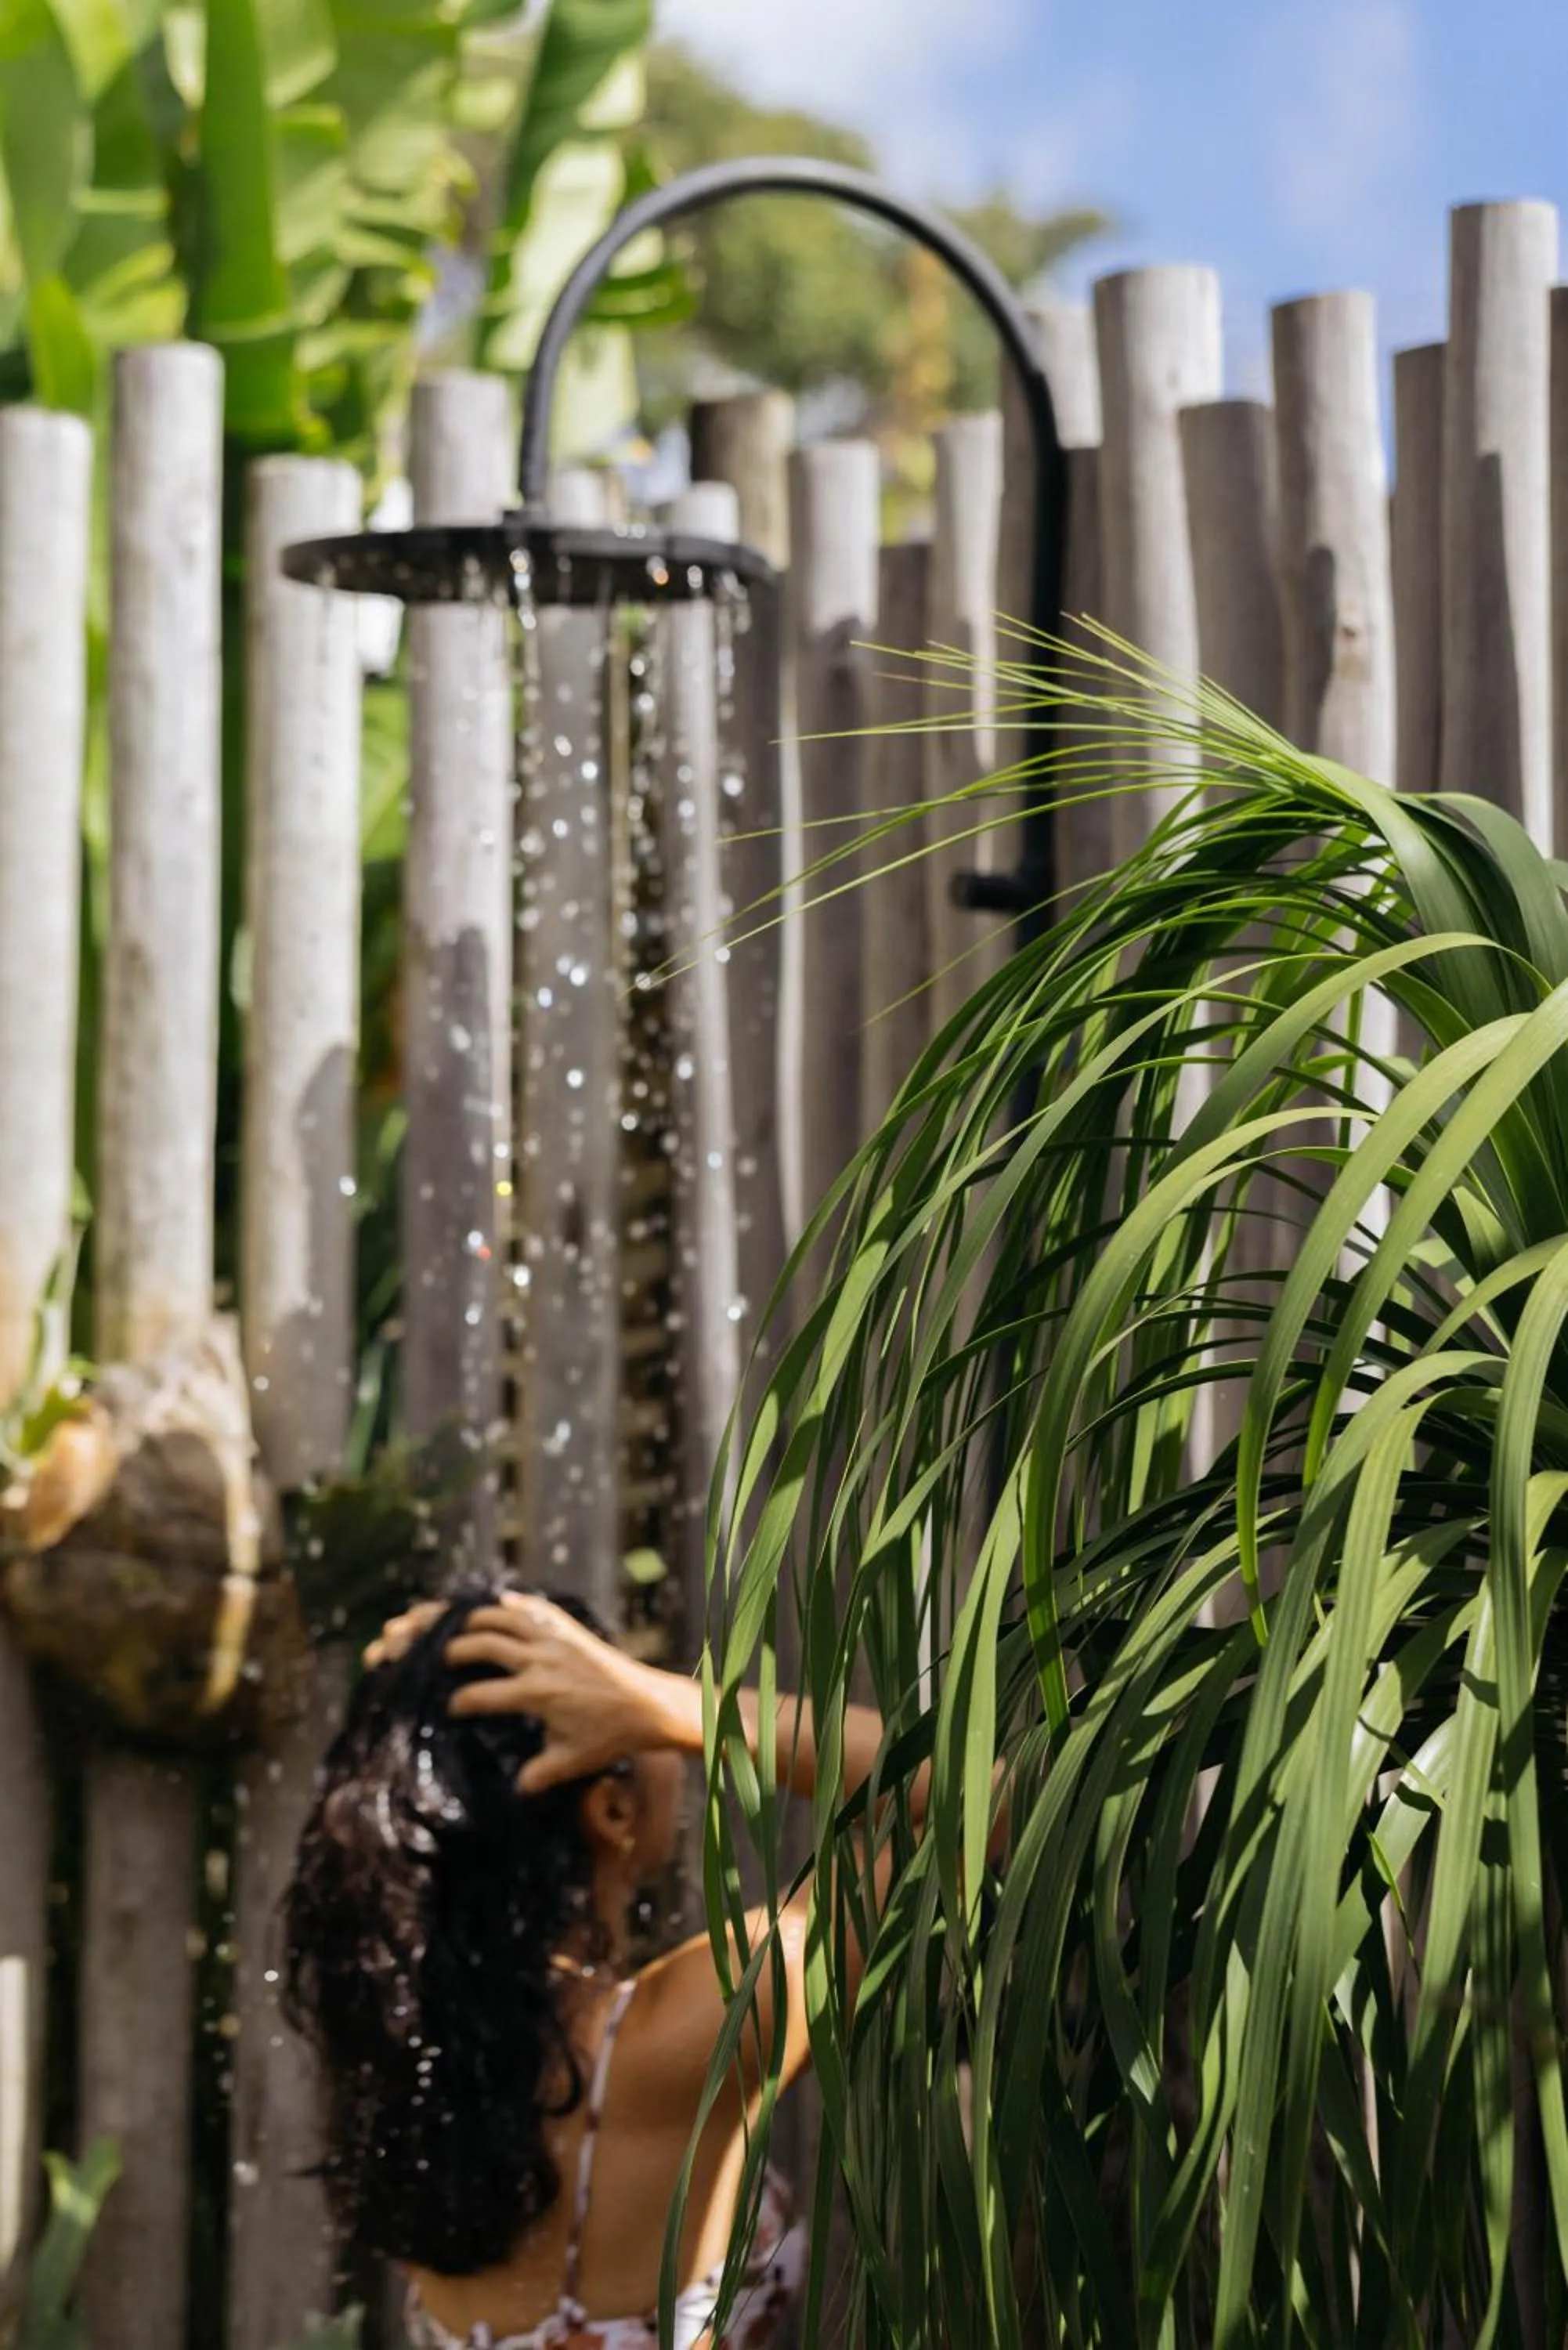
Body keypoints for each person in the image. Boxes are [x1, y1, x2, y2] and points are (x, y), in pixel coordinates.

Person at [282, 1581, 934, 2350]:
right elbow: (986, 1805)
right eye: (617, 1716)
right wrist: (675, 1706)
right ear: (611, 1811)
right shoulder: (684, 2038)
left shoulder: (413, 2053)